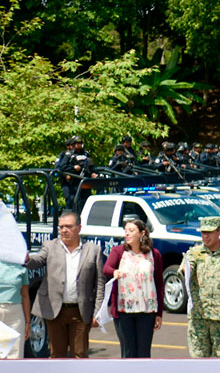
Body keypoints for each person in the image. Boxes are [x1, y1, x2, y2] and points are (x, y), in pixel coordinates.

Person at [26, 210, 105, 358]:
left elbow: (100, 284)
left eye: (68, 226)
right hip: (54, 310)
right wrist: (25, 258)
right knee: (57, 355)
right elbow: (36, 261)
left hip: (81, 312)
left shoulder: (93, 250)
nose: (64, 230)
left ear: (79, 228)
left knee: (79, 355)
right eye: (61, 227)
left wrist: (97, 312)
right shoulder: (50, 246)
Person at [183, 216, 220, 359]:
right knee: (198, 360)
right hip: (199, 316)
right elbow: (185, 270)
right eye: (203, 232)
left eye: (209, 232)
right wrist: (187, 269)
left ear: (219, 232)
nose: (205, 236)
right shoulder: (194, 253)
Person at [104, 219, 164, 358]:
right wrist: (114, 272)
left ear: (142, 233)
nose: (127, 234)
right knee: (128, 352)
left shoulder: (154, 254)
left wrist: (159, 313)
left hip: (147, 311)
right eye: (126, 231)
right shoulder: (119, 251)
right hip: (124, 311)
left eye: (131, 231)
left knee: (143, 353)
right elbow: (106, 268)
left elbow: (159, 284)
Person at [59, 136, 96, 212]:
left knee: (86, 200)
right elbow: (62, 167)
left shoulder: (86, 153)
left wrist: (93, 173)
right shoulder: (69, 154)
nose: (78, 145)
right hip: (75, 181)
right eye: (76, 143)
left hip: (86, 180)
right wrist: (73, 167)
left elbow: (91, 166)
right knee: (74, 201)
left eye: (80, 143)